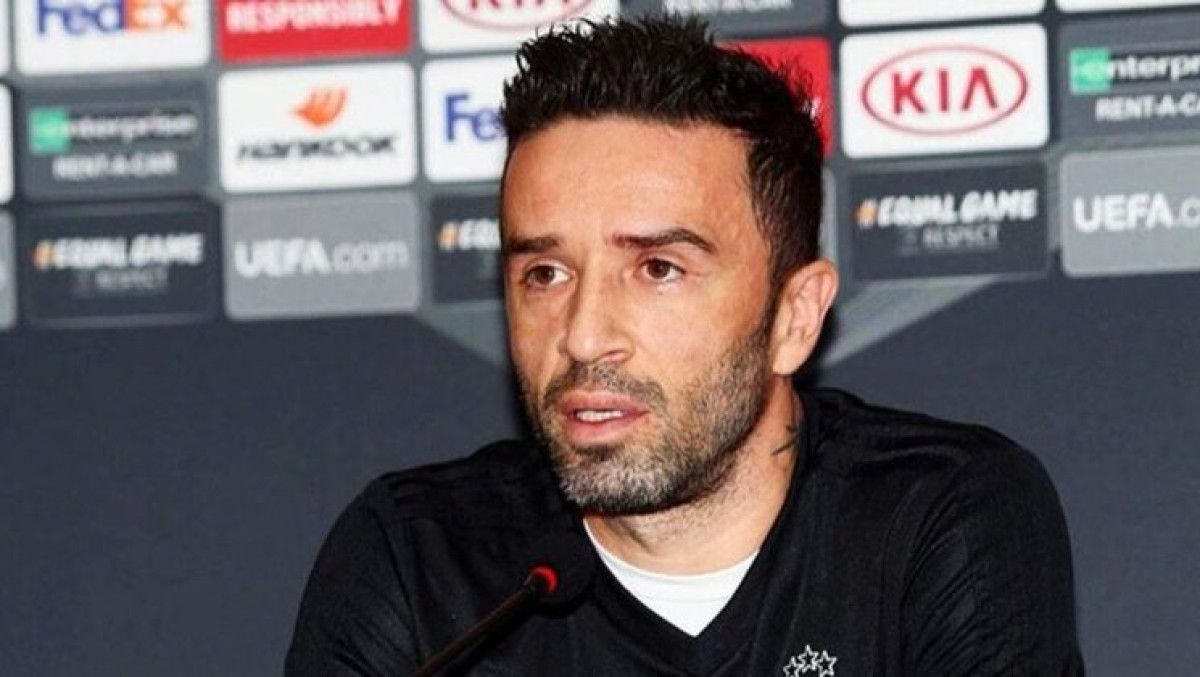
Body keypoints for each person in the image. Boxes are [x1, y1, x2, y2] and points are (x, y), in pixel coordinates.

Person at [286, 15, 1083, 676]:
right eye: (546, 273)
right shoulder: (419, 560)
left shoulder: (939, 517)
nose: (584, 335)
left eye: (659, 269)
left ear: (795, 317)